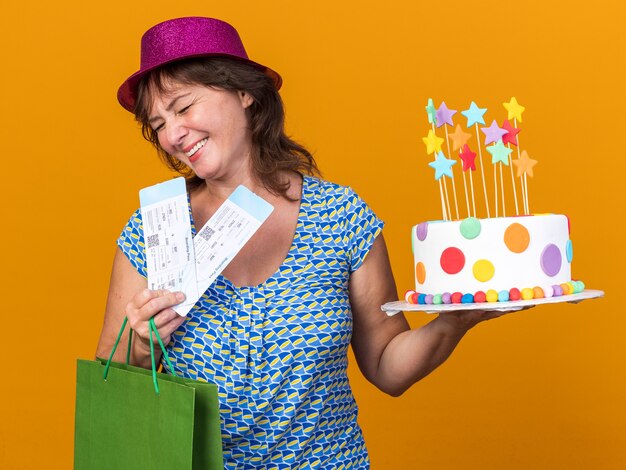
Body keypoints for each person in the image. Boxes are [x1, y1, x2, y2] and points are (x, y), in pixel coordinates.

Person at [96, 16, 502, 469]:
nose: (173, 135)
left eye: (184, 107)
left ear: (244, 92)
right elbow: (113, 386)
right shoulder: (152, 233)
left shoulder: (339, 217)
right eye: (159, 124)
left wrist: (455, 321)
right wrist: (141, 346)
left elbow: (387, 365)